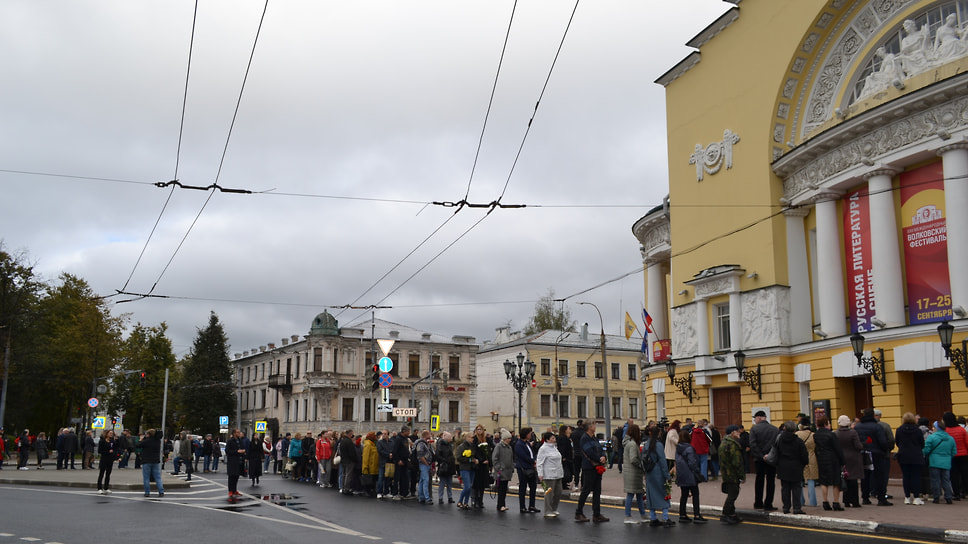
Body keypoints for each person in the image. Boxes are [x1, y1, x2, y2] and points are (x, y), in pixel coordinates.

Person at [575, 421, 608, 523]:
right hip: (589, 467)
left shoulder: (594, 437)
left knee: (597, 491)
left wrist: (604, 456)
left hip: (597, 466)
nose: (595, 426)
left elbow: (600, 449)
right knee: (586, 490)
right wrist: (599, 458)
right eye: (594, 425)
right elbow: (589, 451)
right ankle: (578, 512)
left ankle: (596, 514)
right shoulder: (585, 438)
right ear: (589, 427)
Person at [856, 408, 890, 505]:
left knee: (865, 476)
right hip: (877, 453)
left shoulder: (858, 427)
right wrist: (884, 450)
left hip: (863, 453)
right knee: (879, 476)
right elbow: (883, 441)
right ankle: (881, 498)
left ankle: (865, 498)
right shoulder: (877, 427)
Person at [642, 425, 673, 526]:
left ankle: (653, 517)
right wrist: (667, 476)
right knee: (663, 493)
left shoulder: (646, 444)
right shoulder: (658, 445)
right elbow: (663, 461)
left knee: (651, 495)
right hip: (658, 472)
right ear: (659, 433)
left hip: (649, 472)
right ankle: (665, 517)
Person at [775, 421, 809, 514]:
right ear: (795, 430)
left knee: (785, 488)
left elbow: (776, 452)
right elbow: (804, 455)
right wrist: (804, 464)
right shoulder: (798, 441)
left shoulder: (780, 440)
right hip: (796, 467)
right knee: (796, 488)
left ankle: (786, 507)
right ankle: (797, 508)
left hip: (783, 466)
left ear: (784, 428)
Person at [813, 415, 845, 510]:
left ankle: (825, 502)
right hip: (833, 459)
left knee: (824, 481)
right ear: (826, 424)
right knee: (836, 481)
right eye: (829, 423)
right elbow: (837, 449)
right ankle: (836, 503)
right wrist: (842, 460)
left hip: (821, 459)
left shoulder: (815, 435)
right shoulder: (831, 434)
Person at [749, 410, 779, 511]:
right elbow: (776, 445)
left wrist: (761, 456)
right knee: (771, 481)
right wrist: (769, 455)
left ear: (760, 418)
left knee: (759, 480)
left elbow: (753, 444)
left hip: (759, 459)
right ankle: (768, 503)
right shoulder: (775, 429)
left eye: (755, 418)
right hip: (771, 459)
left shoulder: (754, 429)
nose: (755, 420)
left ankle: (758, 502)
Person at [675, 427, 706, 523]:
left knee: (684, 495)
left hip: (681, 474)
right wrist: (698, 472)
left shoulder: (678, 448)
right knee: (695, 494)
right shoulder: (689, 448)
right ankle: (697, 515)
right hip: (690, 474)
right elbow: (692, 462)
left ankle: (682, 514)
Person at [896, 412, 925, 505]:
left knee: (906, 476)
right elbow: (922, 443)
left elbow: (897, 442)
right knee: (916, 476)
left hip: (903, 455)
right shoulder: (917, 430)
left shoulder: (899, 430)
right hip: (916, 455)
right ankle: (916, 497)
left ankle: (907, 497)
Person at [924, 420, 956, 504]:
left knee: (935, 480)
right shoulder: (950, 438)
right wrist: (948, 457)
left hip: (934, 462)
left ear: (937, 428)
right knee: (946, 480)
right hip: (946, 462)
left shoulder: (931, 437)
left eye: (933, 427)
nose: (932, 428)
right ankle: (948, 497)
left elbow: (926, 450)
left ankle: (936, 497)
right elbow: (954, 452)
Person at [836, 414, 864, 507]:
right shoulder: (853, 433)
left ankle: (846, 501)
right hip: (853, 458)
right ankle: (855, 501)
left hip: (841, 458)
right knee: (853, 480)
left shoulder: (836, 433)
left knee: (845, 478)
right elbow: (858, 446)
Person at [719, 424, 745, 524]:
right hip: (732, 473)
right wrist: (741, 475)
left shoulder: (724, 443)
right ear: (733, 432)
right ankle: (726, 514)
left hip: (726, 472)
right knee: (733, 494)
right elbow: (737, 462)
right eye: (738, 431)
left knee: (732, 492)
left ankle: (732, 514)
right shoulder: (732, 444)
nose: (739, 433)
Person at [621, 423, 647, 524]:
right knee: (631, 494)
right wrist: (641, 465)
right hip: (633, 473)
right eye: (639, 431)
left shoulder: (629, 443)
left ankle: (643, 514)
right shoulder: (632, 444)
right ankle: (628, 516)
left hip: (632, 473)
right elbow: (633, 459)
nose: (640, 433)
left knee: (639, 494)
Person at [536, 431, 564, 518]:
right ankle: (547, 510)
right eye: (552, 438)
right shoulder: (543, 449)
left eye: (554, 438)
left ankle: (554, 508)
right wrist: (540, 474)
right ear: (547, 440)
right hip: (548, 475)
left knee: (558, 492)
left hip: (558, 474)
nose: (554, 439)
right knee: (549, 493)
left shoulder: (555, 448)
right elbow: (539, 462)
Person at [942, 411, 968, 499]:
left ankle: (956, 493)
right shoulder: (962, 430)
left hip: (951, 456)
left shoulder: (946, 431)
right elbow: (967, 442)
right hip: (964, 455)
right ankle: (965, 491)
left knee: (954, 476)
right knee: (965, 474)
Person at [515, 427, 539, 513]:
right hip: (523, 468)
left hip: (531, 467)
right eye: (529, 433)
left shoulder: (527, 443)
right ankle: (522, 506)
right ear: (525, 434)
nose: (531, 435)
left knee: (533, 487)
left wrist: (535, 460)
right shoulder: (519, 444)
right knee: (523, 487)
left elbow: (532, 453)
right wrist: (533, 461)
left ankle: (532, 505)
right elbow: (524, 456)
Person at [796, 417, 818, 507]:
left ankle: (801, 501)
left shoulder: (797, 434)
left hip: (799, 458)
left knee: (800, 480)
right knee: (811, 480)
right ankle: (813, 502)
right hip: (811, 457)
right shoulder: (813, 435)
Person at [491, 429, 514, 512]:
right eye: (508, 438)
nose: (510, 440)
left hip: (507, 471)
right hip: (501, 472)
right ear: (504, 439)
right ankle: (500, 505)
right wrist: (499, 467)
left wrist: (512, 467)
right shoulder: (499, 446)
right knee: (501, 489)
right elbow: (494, 458)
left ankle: (503, 504)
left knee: (504, 489)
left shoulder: (509, 447)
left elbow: (511, 459)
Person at [139, 429, 165, 498]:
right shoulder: (157, 441)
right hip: (156, 461)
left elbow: (138, 445)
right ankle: (161, 491)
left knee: (146, 477)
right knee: (157, 477)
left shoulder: (146, 441)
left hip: (147, 461)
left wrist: (141, 439)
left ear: (148, 434)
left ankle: (147, 492)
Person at [471, 424, 492, 509]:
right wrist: (480, 460)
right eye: (478, 429)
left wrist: (488, 460)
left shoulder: (486, 440)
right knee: (476, 483)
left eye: (481, 429)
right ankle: (475, 500)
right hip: (478, 464)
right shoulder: (474, 439)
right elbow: (474, 451)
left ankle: (481, 500)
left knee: (483, 484)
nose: (479, 431)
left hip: (485, 465)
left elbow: (489, 450)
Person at [455, 430, 477, 509]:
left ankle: (466, 502)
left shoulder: (472, 446)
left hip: (472, 468)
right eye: (471, 438)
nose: (473, 439)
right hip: (464, 468)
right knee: (467, 486)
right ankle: (460, 501)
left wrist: (475, 460)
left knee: (470, 486)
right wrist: (470, 460)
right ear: (467, 438)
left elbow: (474, 455)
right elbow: (459, 458)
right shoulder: (461, 447)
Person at [414, 430, 435, 504]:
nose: (430, 436)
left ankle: (421, 497)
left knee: (422, 481)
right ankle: (427, 498)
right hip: (423, 464)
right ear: (426, 435)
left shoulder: (426, 443)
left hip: (426, 464)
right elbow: (420, 456)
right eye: (429, 434)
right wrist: (426, 464)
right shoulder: (421, 444)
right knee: (425, 480)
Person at [390, 426, 411, 500]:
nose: (409, 433)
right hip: (399, 461)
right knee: (397, 477)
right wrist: (398, 460)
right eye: (408, 431)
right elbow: (395, 450)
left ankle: (403, 493)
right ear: (404, 431)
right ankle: (395, 493)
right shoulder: (398, 439)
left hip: (405, 461)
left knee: (404, 477)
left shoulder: (405, 439)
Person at [435, 431, 455, 504]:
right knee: (442, 483)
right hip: (444, 465)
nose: (451, 439)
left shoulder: (449, 445)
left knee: (449, 482)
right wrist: (445, 461)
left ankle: (450, 497)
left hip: (449, 465)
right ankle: (441, 498)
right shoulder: (440, 444)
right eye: (449, 437)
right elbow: (438, 455)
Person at [96, 430, 118, 494]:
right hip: (104, 459)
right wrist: (108, 451)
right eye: (110, 433)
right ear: (107, 434)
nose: (111, 434)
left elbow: (117, 447)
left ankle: (106, 487)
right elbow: (100, 451)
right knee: (101, 473)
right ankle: (99, 488)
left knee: (108, 474)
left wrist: (116, 439)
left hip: (110, 459)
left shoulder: (112, 441)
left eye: (112, 433)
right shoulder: (102, 441)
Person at [225, 428, 244, 498]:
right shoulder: (230, 441)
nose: (239, 433)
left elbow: (242, 447)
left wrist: (243, 451)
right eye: (238, 432)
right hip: (232, 461)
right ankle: (230, 491)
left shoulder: (239, 440)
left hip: (239, 460)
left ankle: (235, 490)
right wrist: (237, 451)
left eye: (239, 432)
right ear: (234, 433)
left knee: (236, 476)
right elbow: (227, 451)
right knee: (231, 476)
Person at [338, 429, 357, 495]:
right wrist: (354, 459)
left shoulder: (342, 441)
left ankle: (343, 487)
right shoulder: (349, 442)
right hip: (349, 461)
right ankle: (346, 488)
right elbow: (351, 453)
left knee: (344, 474)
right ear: (350, 434)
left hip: (343, 460)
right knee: (348, 475)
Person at [361, 431, 379, 497]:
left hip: (374, 466)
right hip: (370, 466)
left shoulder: (373, 444)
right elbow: (365, 457)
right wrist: (365, 467)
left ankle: (372, 491)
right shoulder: (368, 444)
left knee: (373, 480)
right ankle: (366, 491)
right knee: (368, 480)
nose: (375, 437)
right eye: (374, 436)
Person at [556, 425, 574, 490]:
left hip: (566, 457)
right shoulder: (563, 438)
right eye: (568, 429)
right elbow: (563, 448)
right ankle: (564, 483)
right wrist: (563, 457)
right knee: (566, 471)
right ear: (565, 430)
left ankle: (564, 483)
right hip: (566, 458)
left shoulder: (563, 437)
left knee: (566, 471)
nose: (569, 430)